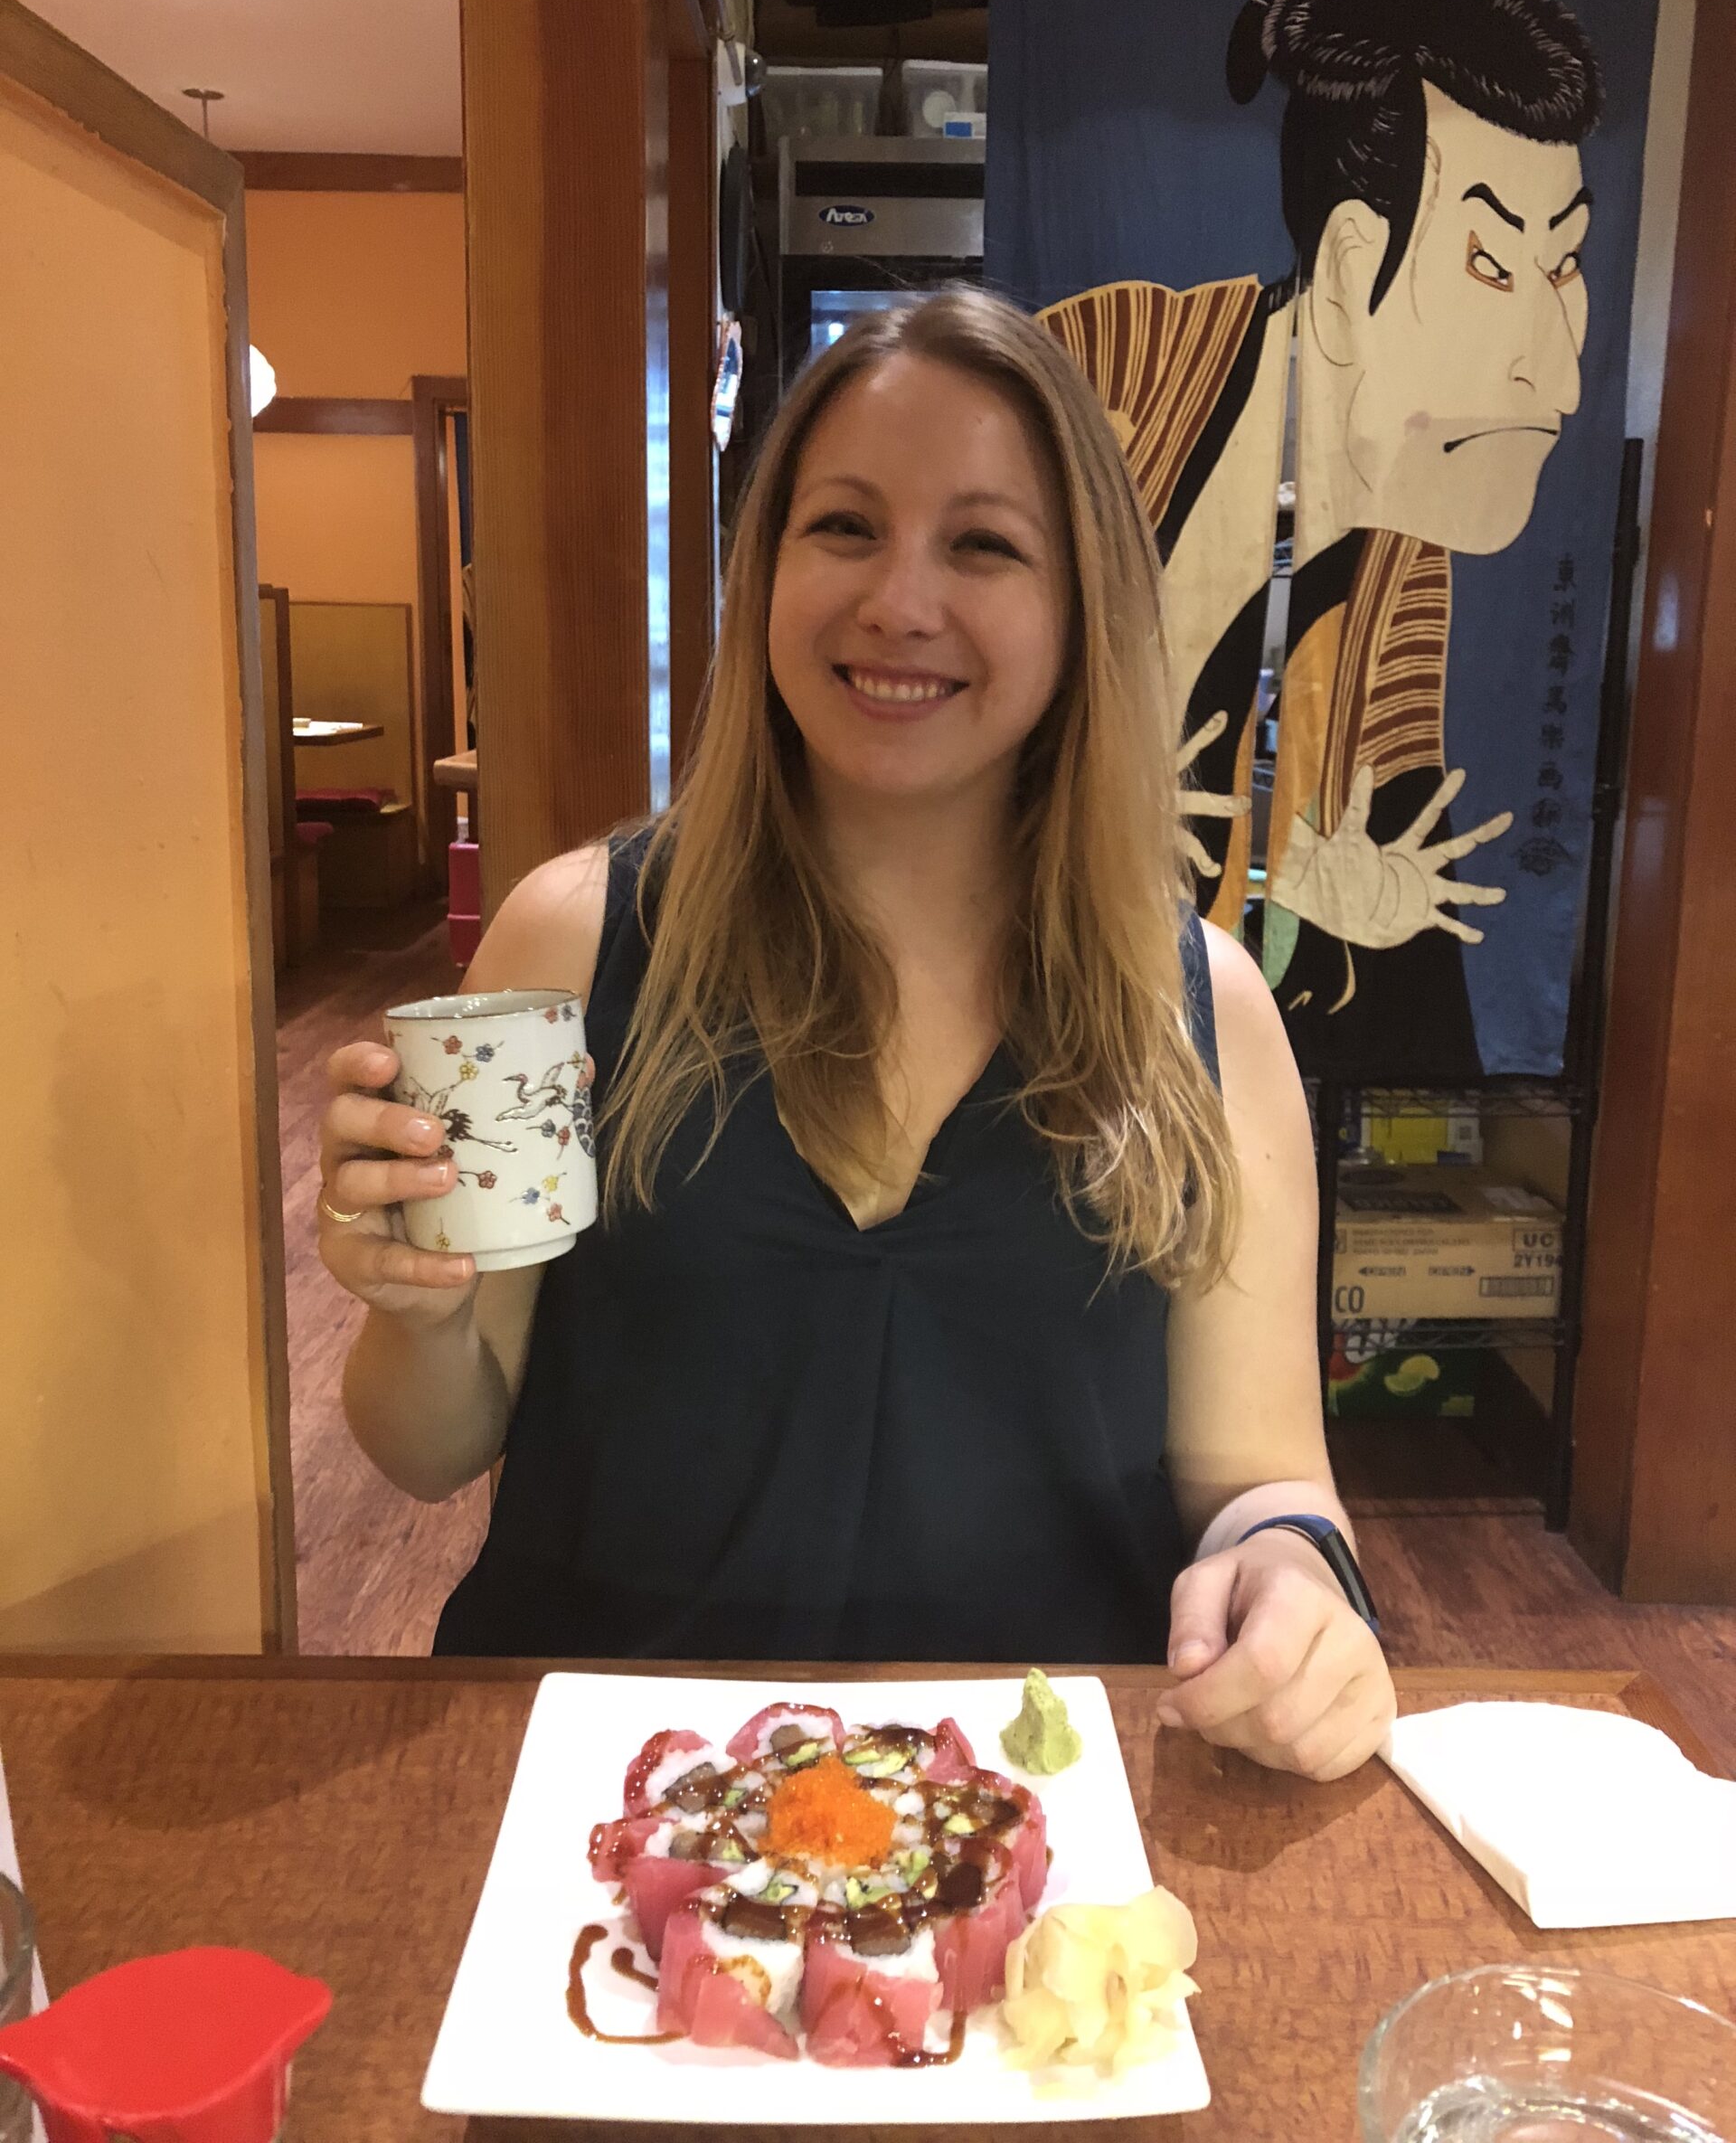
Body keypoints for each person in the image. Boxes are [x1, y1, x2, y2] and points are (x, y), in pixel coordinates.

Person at [317, 288, 1395, 1780]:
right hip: (609, 1818)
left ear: (1083, 608)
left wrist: (1294, 1578)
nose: (900, 601)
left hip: (1027, 1820)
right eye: (842, 527)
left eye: (984, 544)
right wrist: (417, 1303)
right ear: (762, 568)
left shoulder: (1200, 1012)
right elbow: (430, 1447)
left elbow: (1264, 1478)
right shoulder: (577, 941)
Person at [1038, 0, 1600, 1075]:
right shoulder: (1102, 377)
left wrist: (1322, 908)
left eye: (1569, 262)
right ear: (1348, 263)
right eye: (1496, 264)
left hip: (1199, 1062)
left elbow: (1346, 881)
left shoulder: (1408, 548)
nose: (1556, 364)